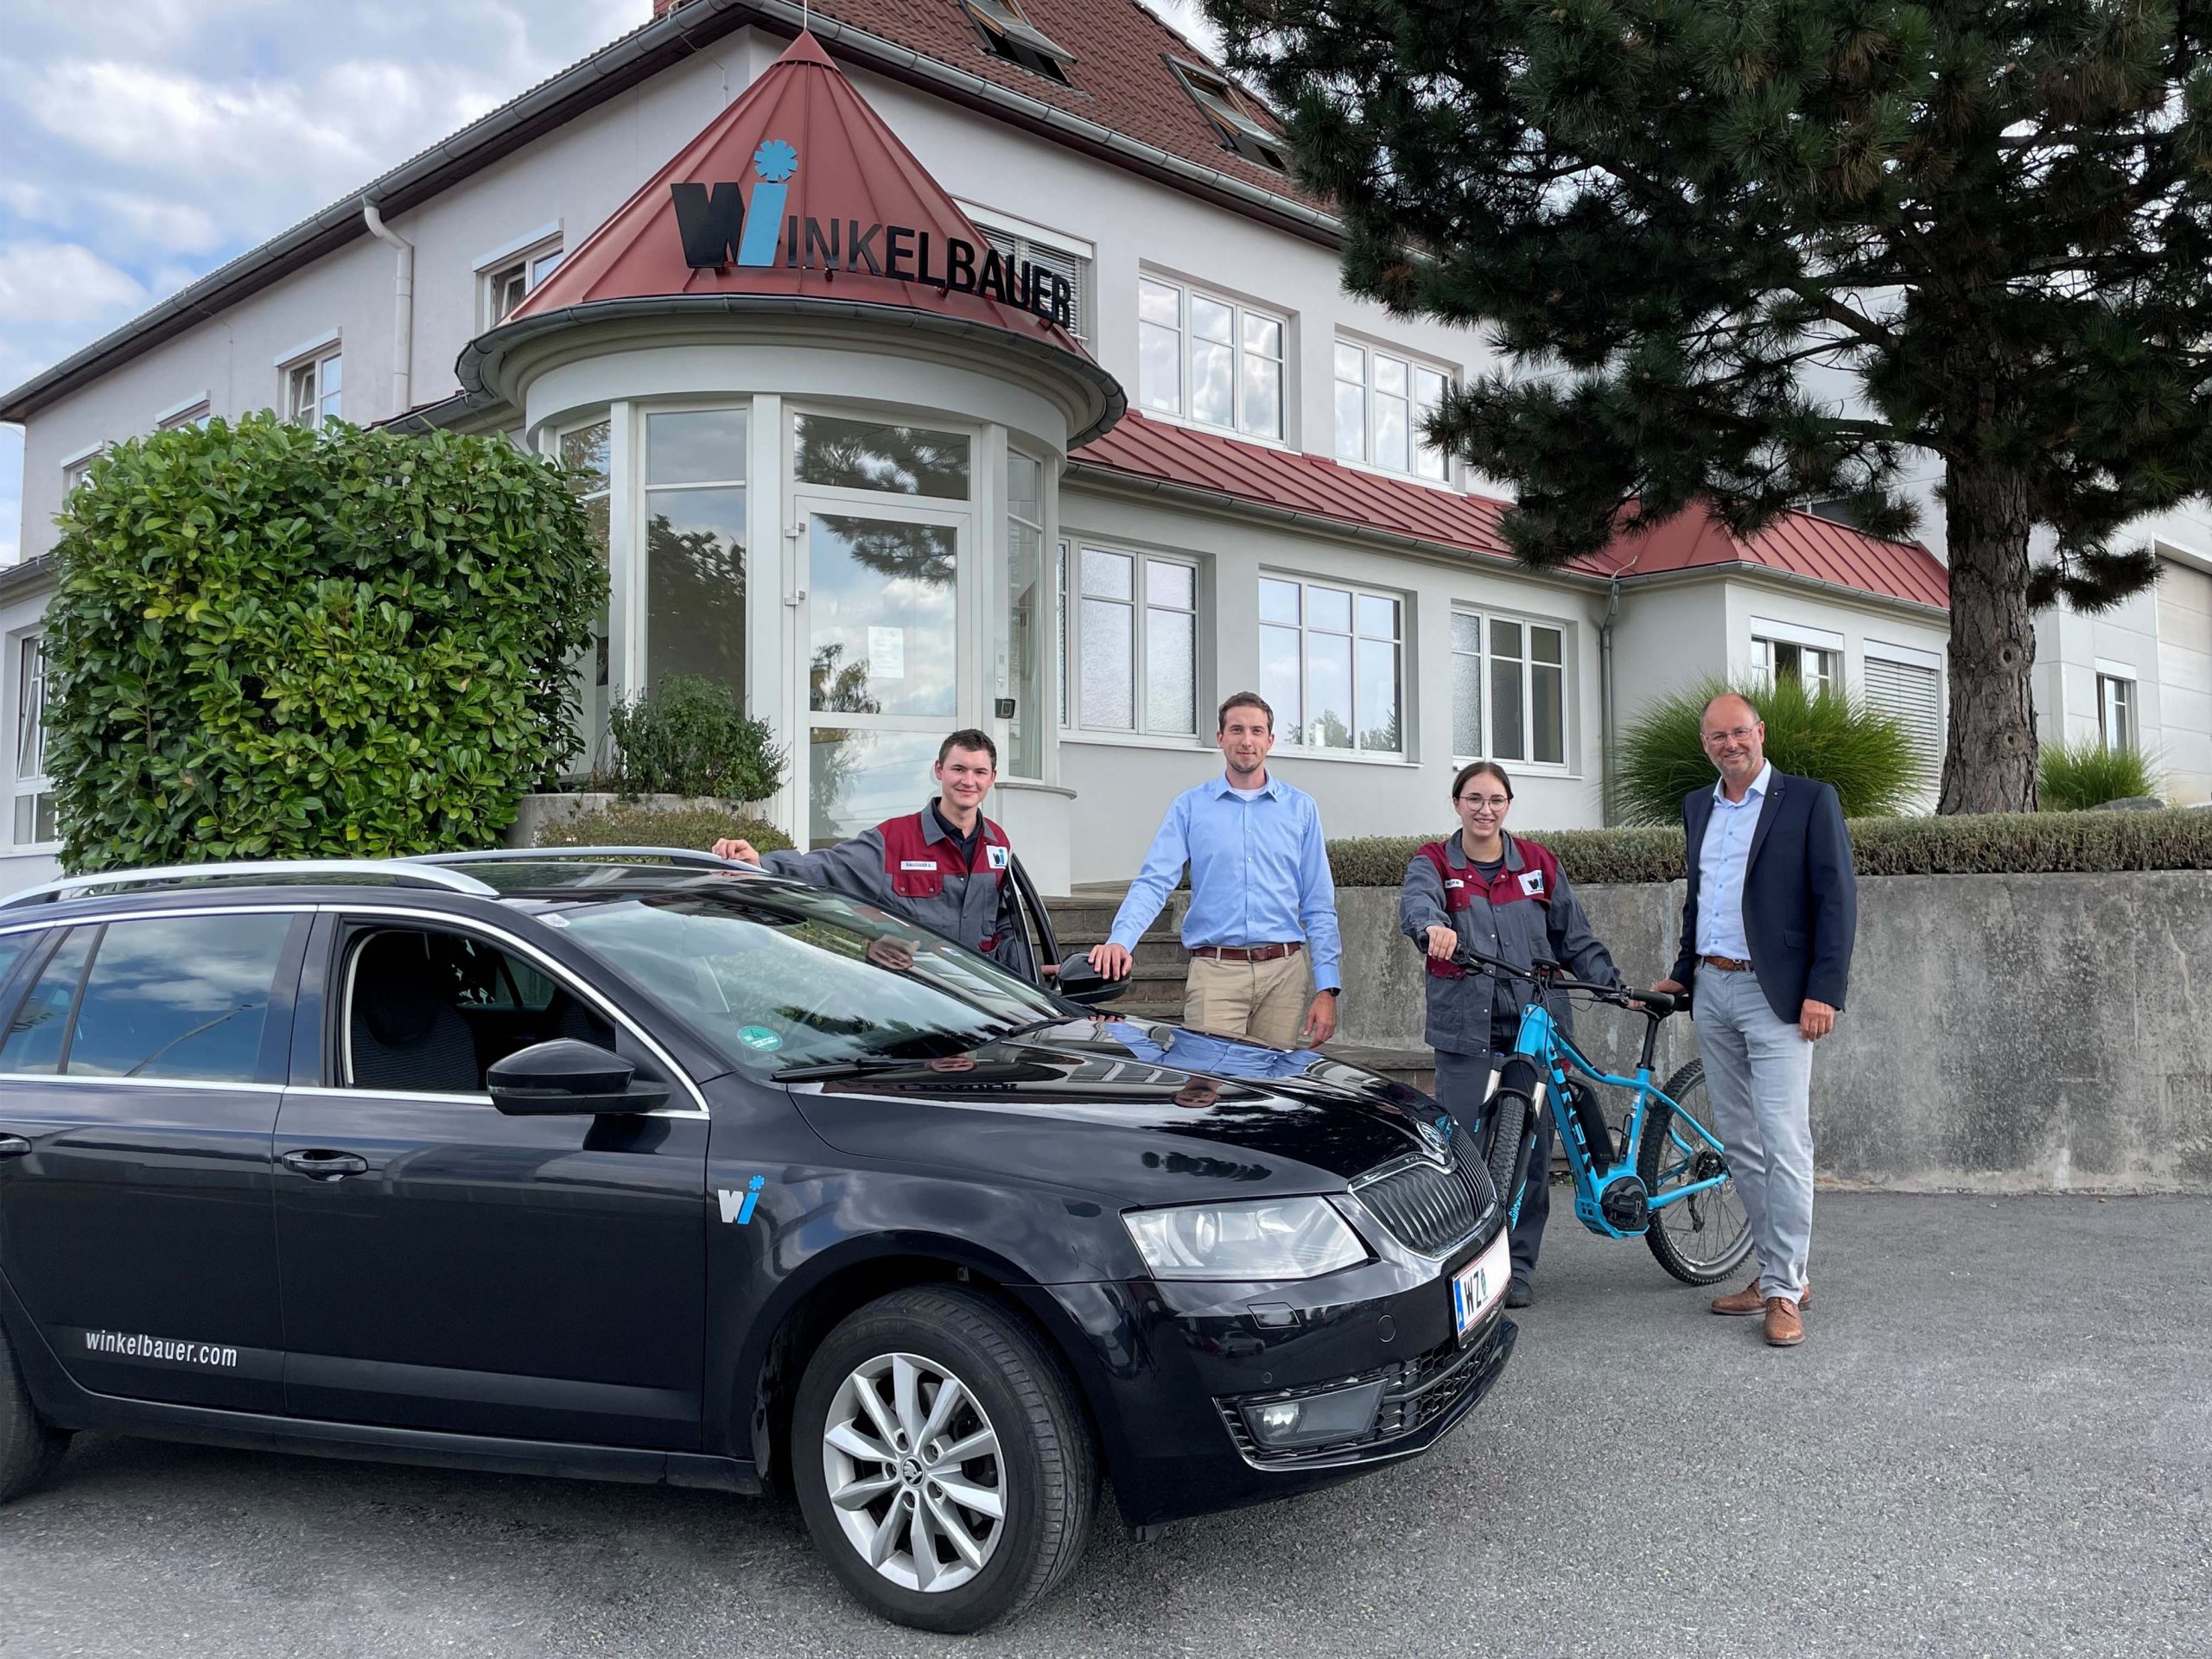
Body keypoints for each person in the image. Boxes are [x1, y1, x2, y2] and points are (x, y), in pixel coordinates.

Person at [1651, 692, 1856, 1349]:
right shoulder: (1697, 806)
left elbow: (1837, 899)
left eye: (1739, 732)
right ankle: (1780, 1275)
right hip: (1713, 989)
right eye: (1717, 736)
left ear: (1760, 733)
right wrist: (1683, 973)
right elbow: (1701, 900)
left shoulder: (1808, 799)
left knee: (1784, 1142)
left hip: (1780, 997)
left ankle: (1783, 1289)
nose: (1729, 744)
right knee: (1738, 1142)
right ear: (1705, 742)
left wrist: (1823, 990)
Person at [1400, 760, 1623, 1308]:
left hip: (1536, 1023)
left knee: (1532, 1151)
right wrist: (1433, 929)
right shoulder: (1433, 863)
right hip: (1465, 1029)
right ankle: (1462, 1267)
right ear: (1457, 804)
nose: (1484, 809)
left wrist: (1613, 985)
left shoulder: (1539, 864)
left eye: (1495, 799)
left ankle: (1518, 1267)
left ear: (1507, 805)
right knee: (1462, 1152)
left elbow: (1575, 937)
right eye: (1474, 798)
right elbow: (1417, 905)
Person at [1088, 692, 1342, 1051]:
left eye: (1257, 731)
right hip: (1216, 974)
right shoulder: (1190, 807)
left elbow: (1319, 902)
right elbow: (1154, 882)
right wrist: (1121, 940)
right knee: (1210, 1088)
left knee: (1272, 1093)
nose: (1247, 740)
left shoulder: (1301, 809)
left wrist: (1327, 987)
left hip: (1284, 976)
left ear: (1270, 740)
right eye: (1236, 729)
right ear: (1220, 738)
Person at [711, 728, 1034, 979]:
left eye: (979, 772)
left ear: (992, 778)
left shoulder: (998, 843)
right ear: (939, 770)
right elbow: (827, 868)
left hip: (985, 1000)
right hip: (918, 998)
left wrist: (1024, 981)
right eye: (958, 769)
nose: (968, 781)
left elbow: (1005, 922)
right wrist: (762, 863)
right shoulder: (893, 839)